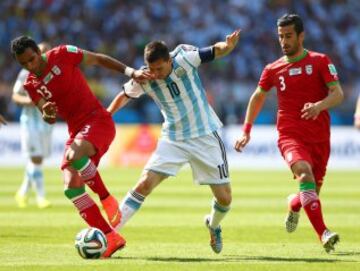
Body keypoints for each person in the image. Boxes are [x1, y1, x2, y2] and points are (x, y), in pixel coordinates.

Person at [11, 35, 152, 258]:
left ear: (38, 52)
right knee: (71, 187)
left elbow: (98, 59)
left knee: (73, 154)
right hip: (76, 132)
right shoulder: (30, 84)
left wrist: (131, 72)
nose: (30, 66)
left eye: (31, 59)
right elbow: (46, 115)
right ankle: (112, 237)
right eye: (24, 64)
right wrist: (48, 114)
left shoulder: (63, 53)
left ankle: (107, 199)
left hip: (98, 121)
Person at [107, 29, 240, 254]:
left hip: (205, 135)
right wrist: (106, 114)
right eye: (152, 68)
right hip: (173, 138)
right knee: (144, 184)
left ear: (169, 60)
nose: (156, 73)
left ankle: (213, 225)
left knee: (225, 199)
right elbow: (124, 96)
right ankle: (109, 234)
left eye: (160, 68)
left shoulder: (184, 60)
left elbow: (214, 51)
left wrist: (227, 47)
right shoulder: (144, 77)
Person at [234, 14, 343, 253]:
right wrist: (246, 130)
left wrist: (318, 106)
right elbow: (258, 97)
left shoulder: (321, 61)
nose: (283, 41)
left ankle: (294, 204)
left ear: (301, 36)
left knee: (310, 192)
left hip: (320, 138)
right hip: (289, 135)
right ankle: (324, 233)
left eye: (288, 36)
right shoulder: (273, 68)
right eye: (280, 36)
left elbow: (338, 94)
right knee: (304, 175)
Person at [13, 42, 53, 209]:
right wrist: (30, 101)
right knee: (36, 158)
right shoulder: (25, 74)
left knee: (38, 159)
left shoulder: (54, 73)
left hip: (46, 123)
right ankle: (41, 197)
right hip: (30, 122)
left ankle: (22, 192)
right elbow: (15, 96)